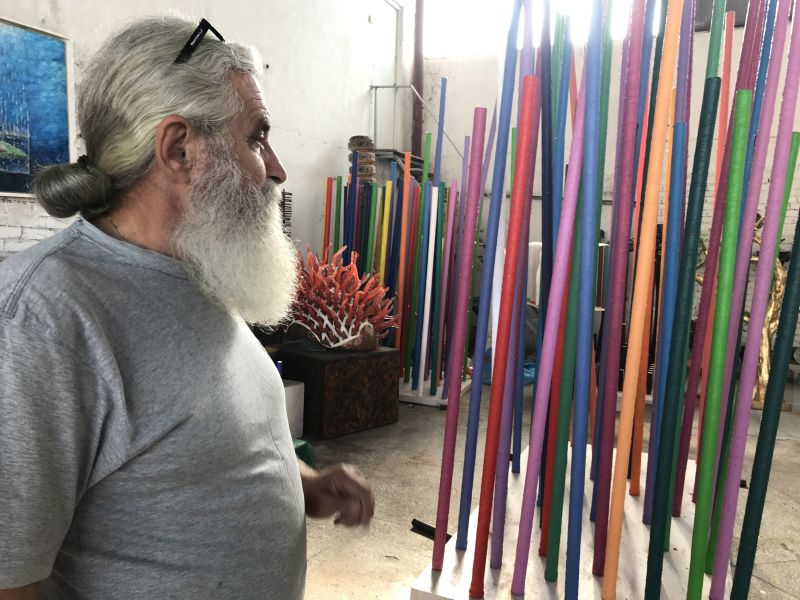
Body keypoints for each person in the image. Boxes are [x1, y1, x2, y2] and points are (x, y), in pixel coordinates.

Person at [0, 16, 374, 600]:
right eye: (257, 137)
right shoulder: (42, 320)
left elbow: (195, 452)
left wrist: (304, 484)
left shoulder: (199, 272)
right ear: (179, 149)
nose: (276, 169)